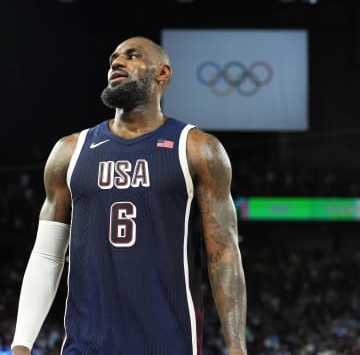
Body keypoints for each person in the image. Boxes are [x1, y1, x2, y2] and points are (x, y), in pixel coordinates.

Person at [11, 36, 247, 355]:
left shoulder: (197, 149)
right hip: (86, 345)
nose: (117, 63)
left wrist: (236, 346)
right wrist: (22, 343)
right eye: (113, 58)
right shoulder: (70, 151)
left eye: (132, 56)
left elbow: (224, 255)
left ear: (162, 74)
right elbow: (47, 254)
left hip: (168, 342)